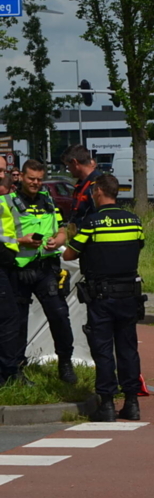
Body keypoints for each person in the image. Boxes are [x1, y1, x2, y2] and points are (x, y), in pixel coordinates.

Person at [62, 174, 146, 422]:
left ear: (98, 192)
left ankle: (107, 404)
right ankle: (132, 403)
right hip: (130, 294)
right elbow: (138, 245)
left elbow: (69, 254)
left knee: (103, 349)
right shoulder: (134, 221)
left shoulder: (91, 223)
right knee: (128, 349)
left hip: (101, 296)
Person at [10, 159, 77, 384]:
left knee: (59, 315)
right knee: (17, 322)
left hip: (46, 268)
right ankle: (17, 368)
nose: (36, 183)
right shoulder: (7, 202)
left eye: (39, 179)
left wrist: (57, 241)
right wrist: (22, 241)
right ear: (21, 177)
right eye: (31, 179)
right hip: (18, 270)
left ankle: (65, 363)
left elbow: (62, 229)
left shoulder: (48, 199)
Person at [0, 156, 26, 387]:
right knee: (8, 318)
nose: (2, 174)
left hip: (7, 263)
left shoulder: (5, 199)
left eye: (4, 170)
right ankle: (8, 373)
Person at [63, 145, 104, 235]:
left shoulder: (98, 184)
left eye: (68, 166)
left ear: (75, 162)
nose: (68, 170)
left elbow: (102, 217)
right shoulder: (81, 184)